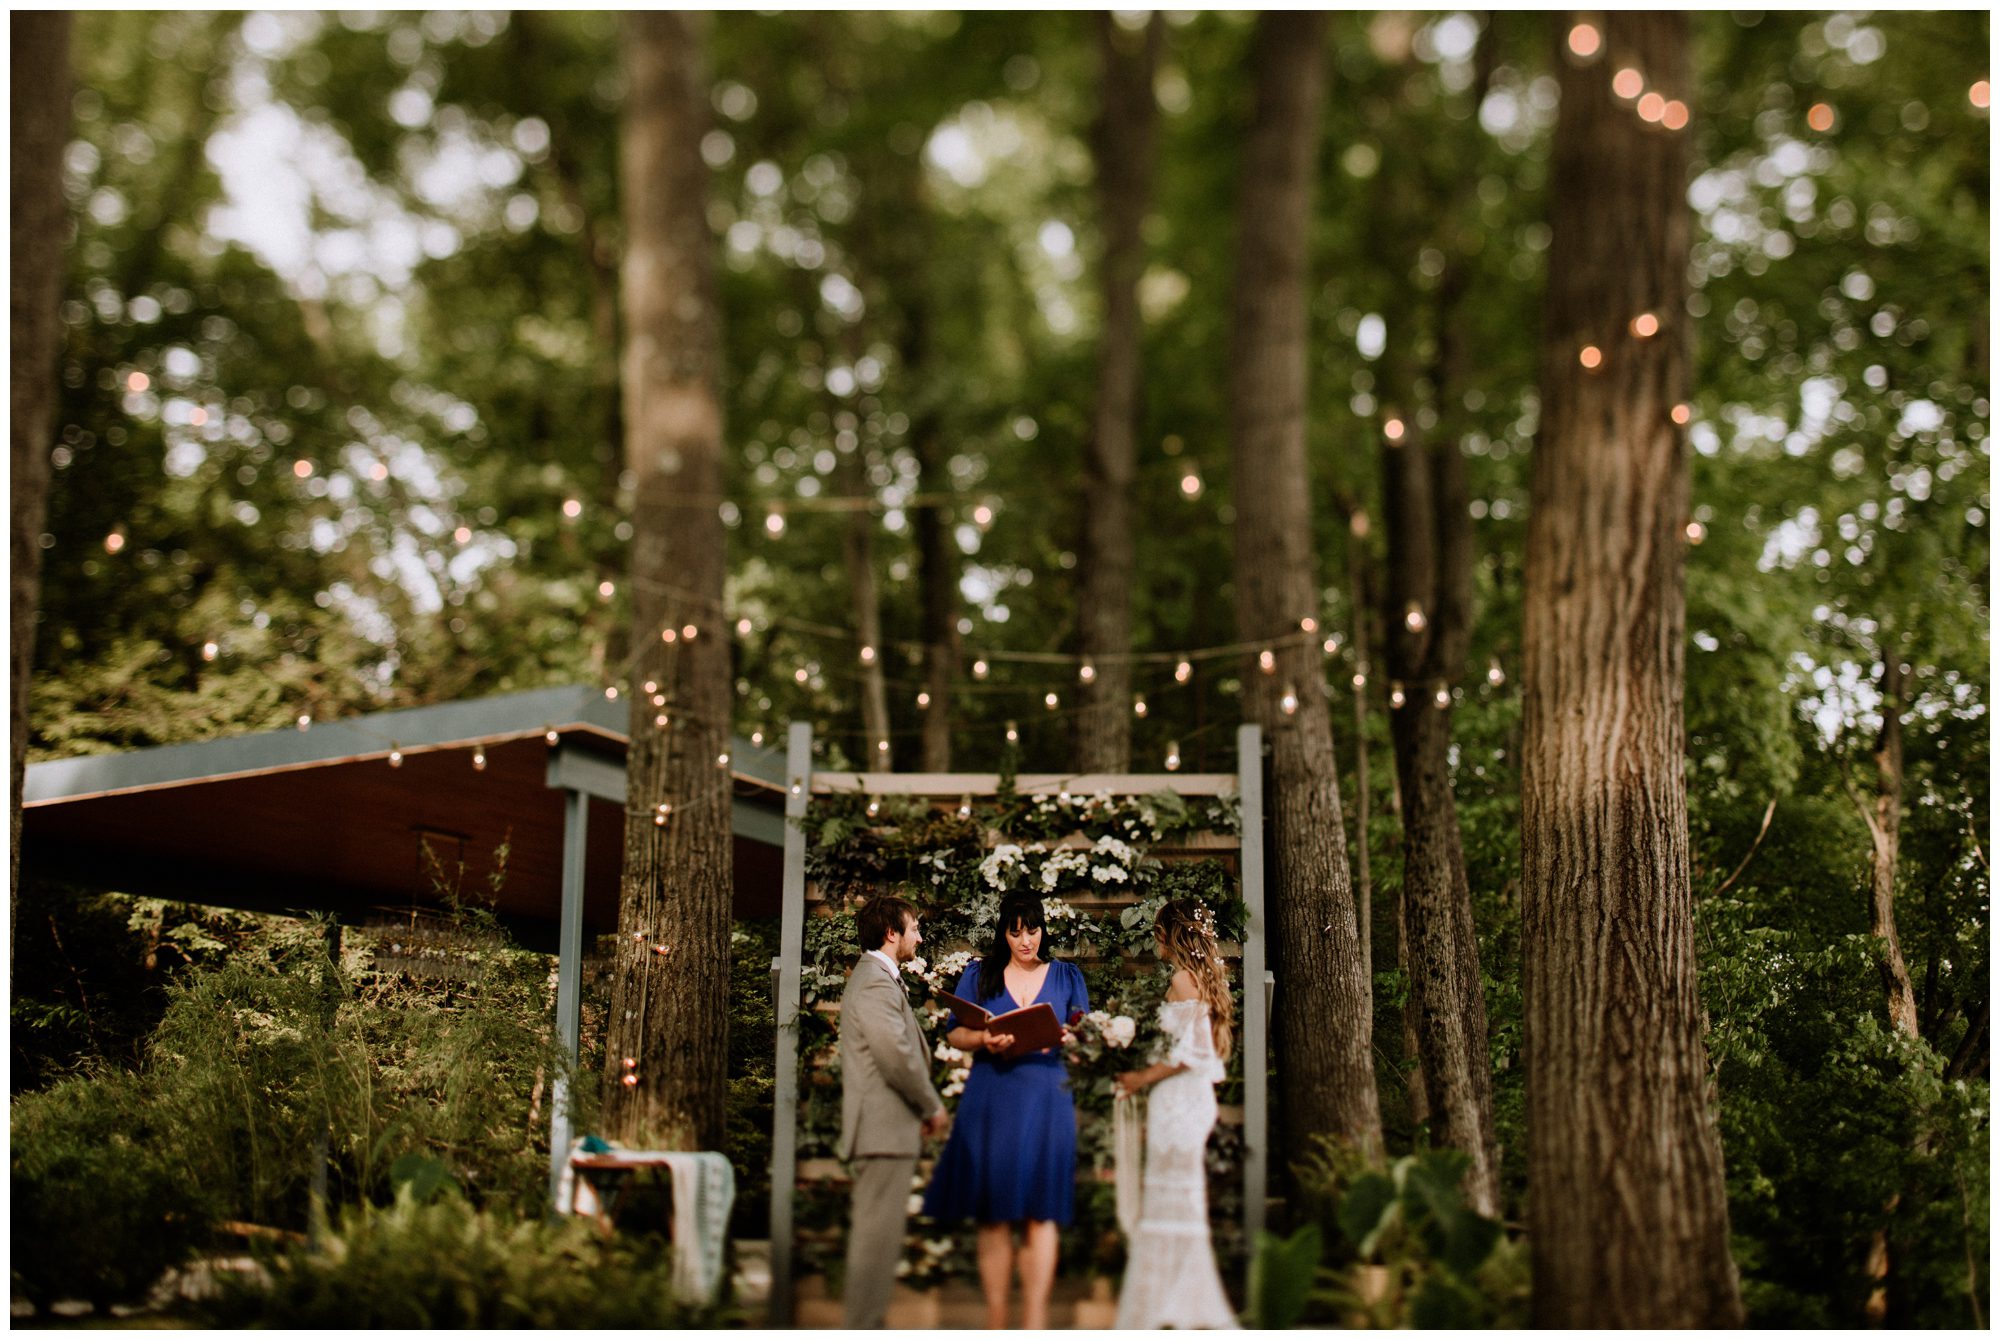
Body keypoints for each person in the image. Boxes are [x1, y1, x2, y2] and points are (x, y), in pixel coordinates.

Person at [923, 892, 1091, 1329]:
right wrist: (983, 1040)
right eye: (1015, 932)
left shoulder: (1068, 975)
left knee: (1042, 1209)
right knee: (994, 1211)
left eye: (1032, 931)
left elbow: (1084, 1030)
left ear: (1042, 930)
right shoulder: (979, 975)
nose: (1025, 941)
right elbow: (955, 1033)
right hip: (993, 1096)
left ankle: (1034, 1323)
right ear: (1003, 932)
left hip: (1047, 1094)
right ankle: (996, 1322)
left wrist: (1073, 1038)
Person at [1112, 898, 1238, 1330]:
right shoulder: (1196, 978)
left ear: (1169, 934)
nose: (1155, 940)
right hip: (1182, 1099)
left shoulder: (1185, 980)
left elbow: (1194, 1052)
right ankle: (1175, 1303)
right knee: (1175, 1201)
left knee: (1175, 1200)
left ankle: (1175, 1307)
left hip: (1182, 1100)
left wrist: (1139, 1078)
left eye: (1157, 932)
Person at [839, 895, 951, 1328]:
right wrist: (931, 1106)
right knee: (874, 1244)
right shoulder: (874, 982)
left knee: (880, 1245)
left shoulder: (881, 979)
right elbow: (896, 1056)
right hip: (881, 1133)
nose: (919, 937)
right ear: (892, 933)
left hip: (887, 1133)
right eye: (914, 927)